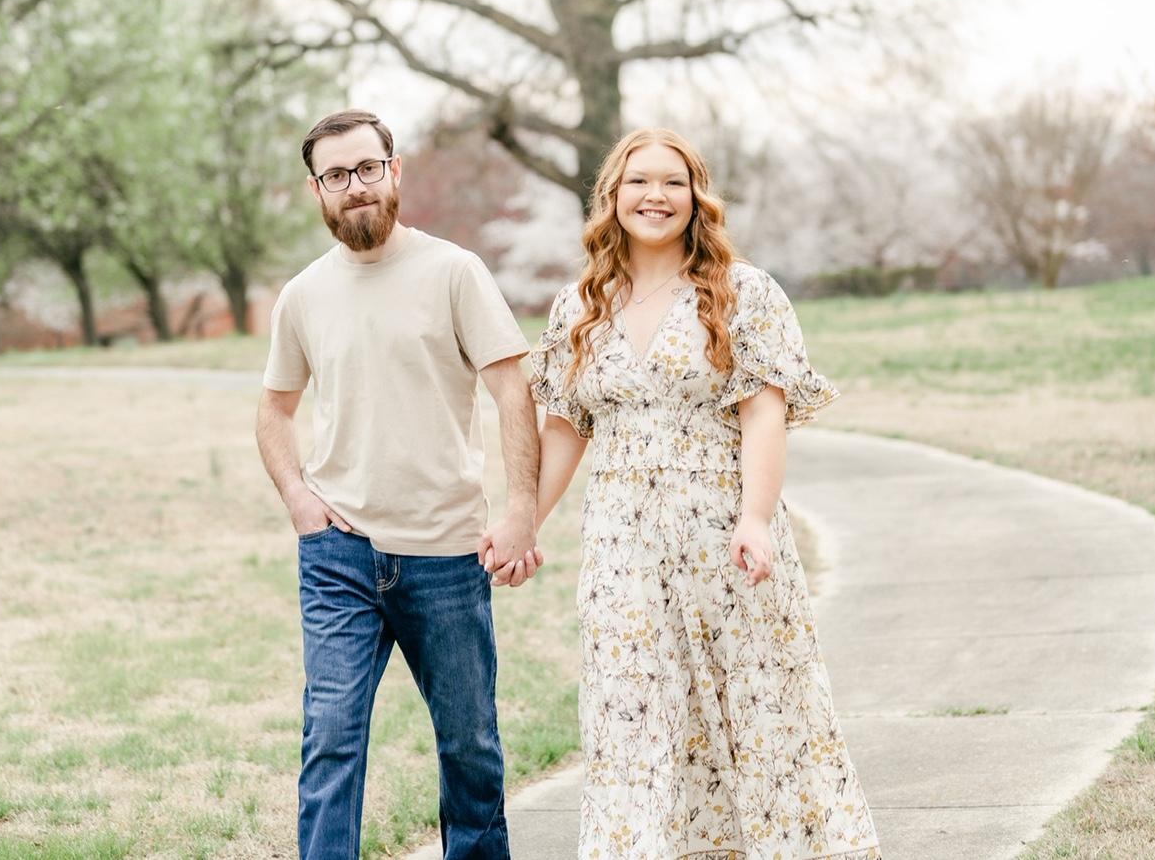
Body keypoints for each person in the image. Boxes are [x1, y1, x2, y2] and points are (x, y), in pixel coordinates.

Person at [527, 127, 881, 859]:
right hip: (623, 544)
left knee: (753, 702)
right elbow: (564, 427)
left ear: (697, 198)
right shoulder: (580, 306)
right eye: (638, 181)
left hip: (724, 530)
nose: (655, 196)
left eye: (673, 182)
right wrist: (523, 521)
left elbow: (764, 414)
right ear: (612, 196)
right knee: (633, 709)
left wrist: (755, 517)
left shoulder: (743, 292)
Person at [254, 109, 543, 860]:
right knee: (331, 740)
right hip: (339, 555)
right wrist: (298, 498)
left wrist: (521, 510)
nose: (355, 186)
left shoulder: (454, 272)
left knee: (469, 744)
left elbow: (513, 391)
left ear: (395, 170)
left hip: (446, 554)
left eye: (367, 168)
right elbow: (275, 410)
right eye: (336, 175)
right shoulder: (303, 295)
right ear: (316, 189)